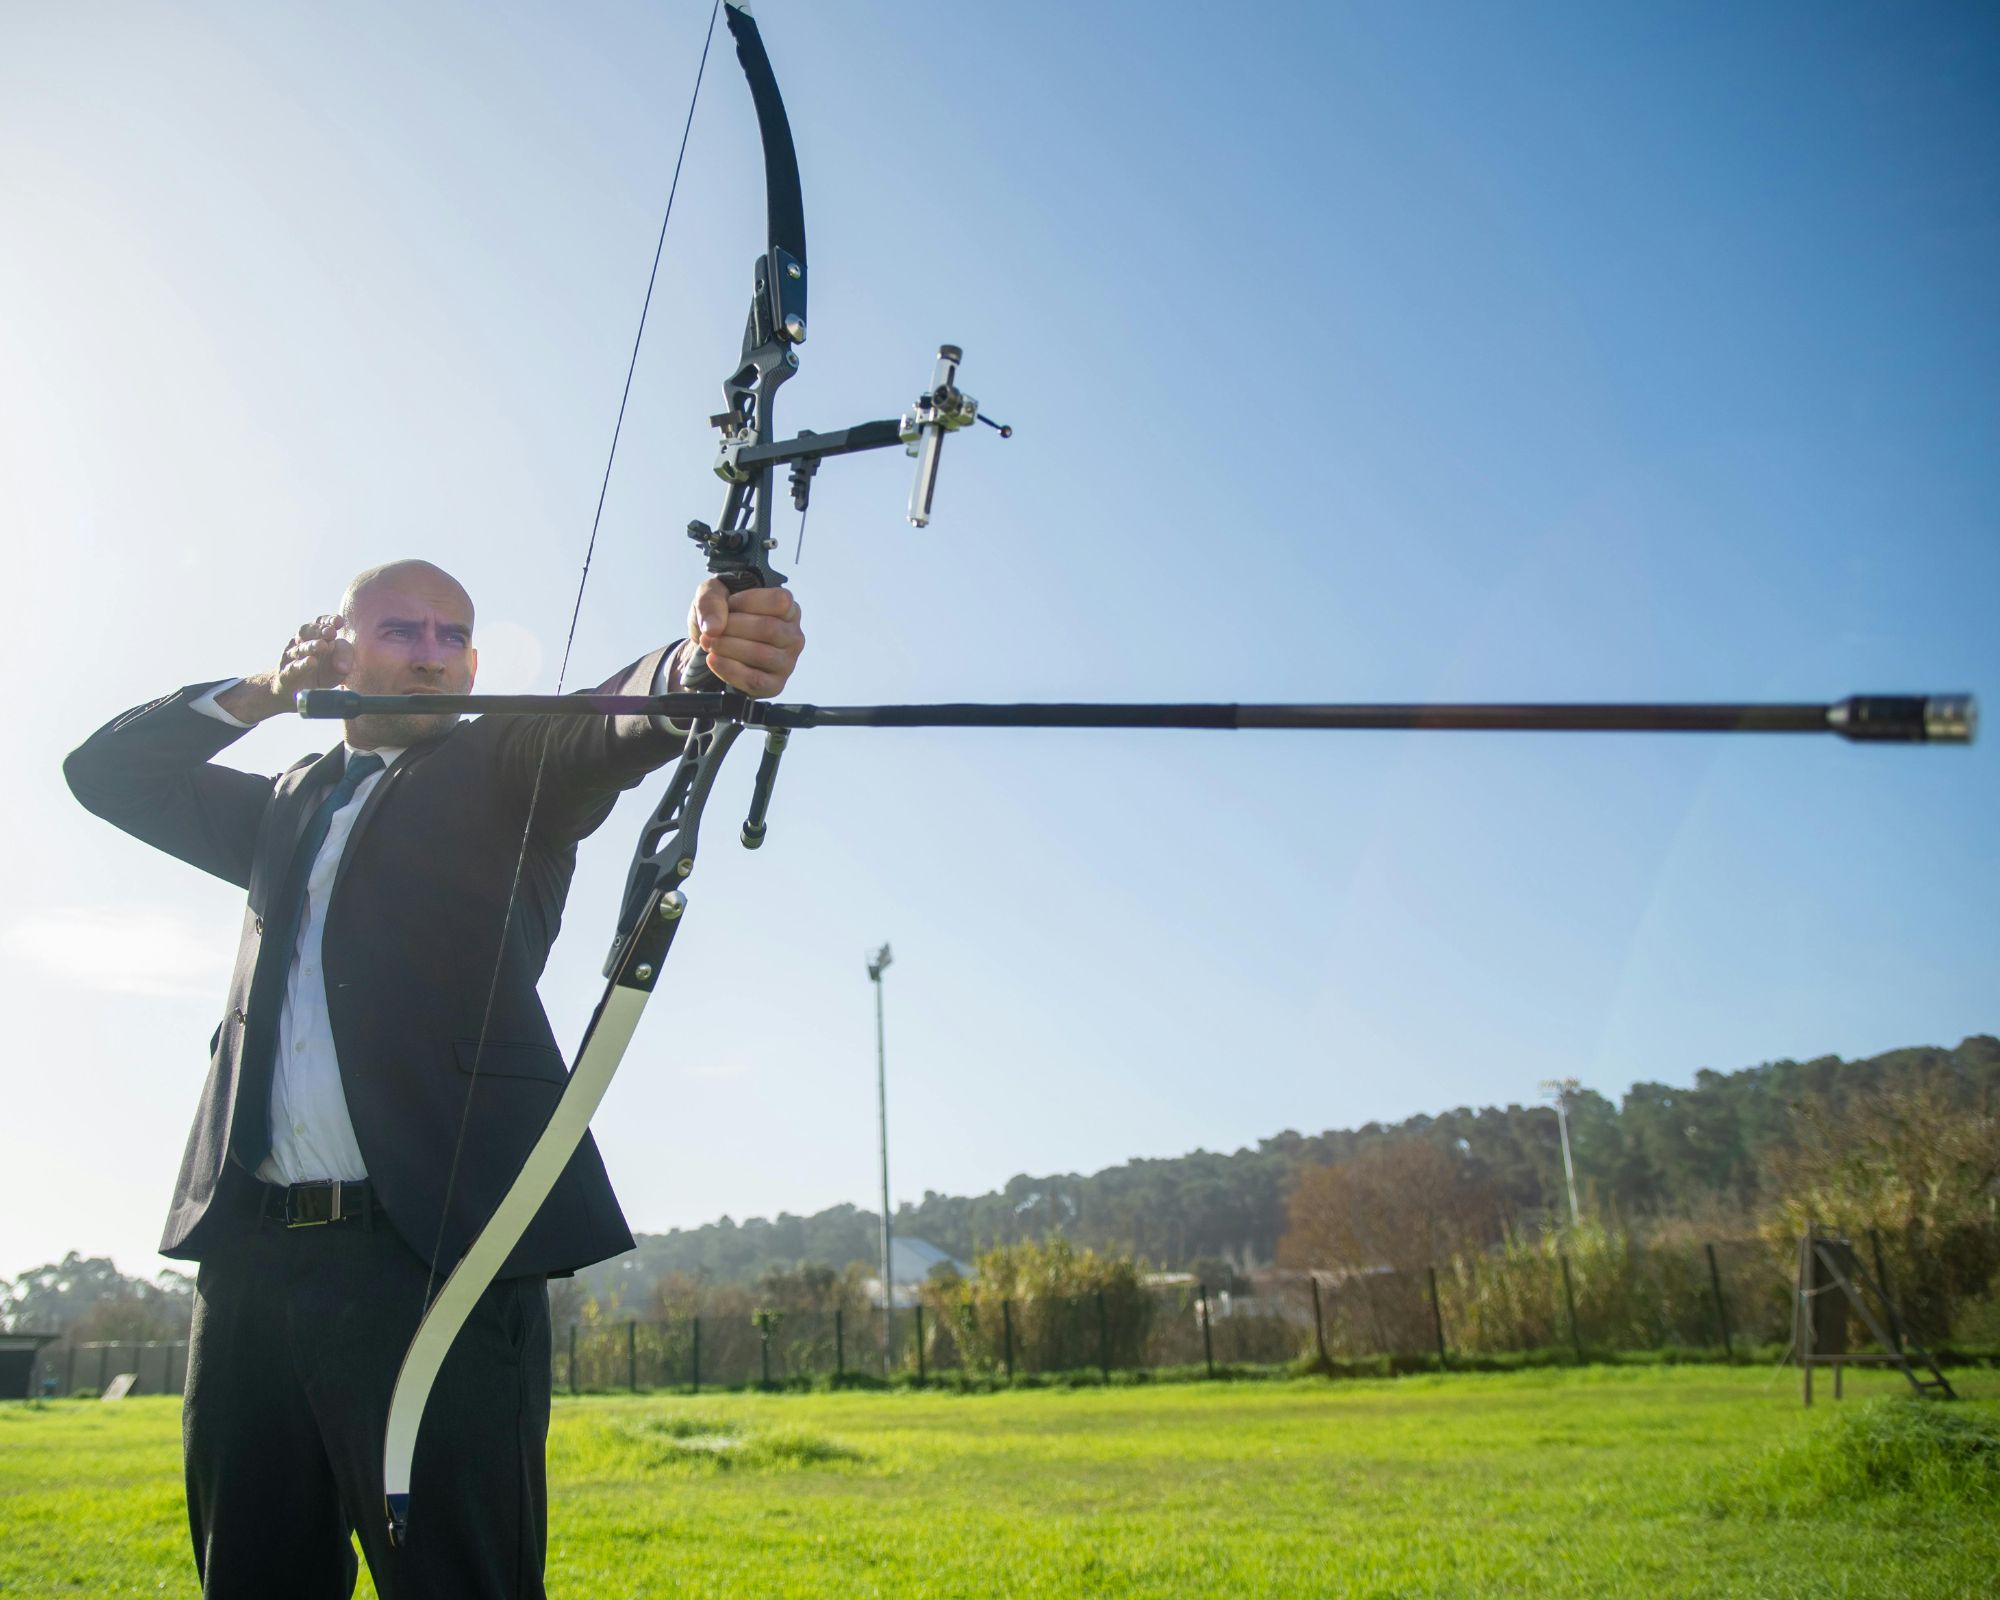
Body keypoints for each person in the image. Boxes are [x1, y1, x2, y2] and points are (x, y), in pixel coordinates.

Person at [64, 559, 805, 1599]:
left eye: (452, 637)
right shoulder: (285, 805)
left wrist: (701, 663)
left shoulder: (503, 763)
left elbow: (607, 722)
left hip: (437, 1255)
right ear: (337, 647)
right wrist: (268, 692)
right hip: (250, 1270)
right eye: (401, 631)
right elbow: (106, 774)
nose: (432, 655)